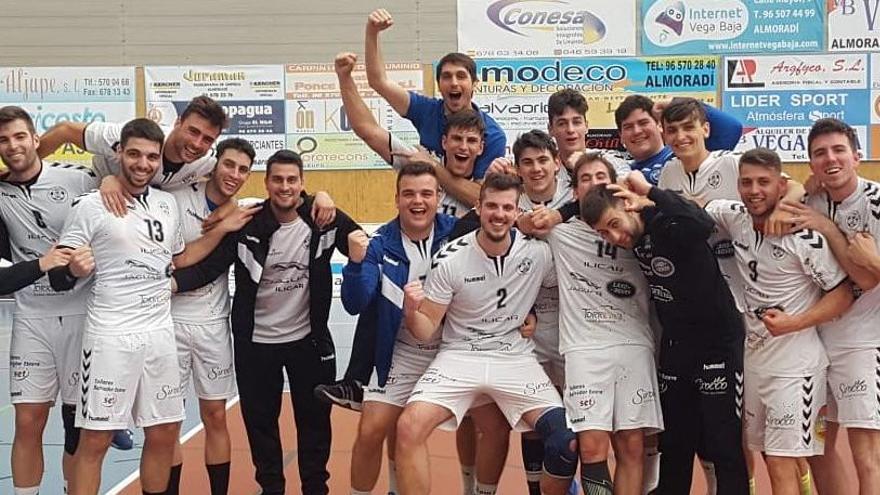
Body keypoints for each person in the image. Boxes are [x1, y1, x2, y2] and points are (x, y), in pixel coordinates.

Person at [172, 149, 363, 495]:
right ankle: (271, 488)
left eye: (292, 180)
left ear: (303, 183)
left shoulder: (323, 217)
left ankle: (315, 488)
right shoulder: (250, 225)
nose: (285, 186)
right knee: (260, 425)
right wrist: (168, 284)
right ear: (267, 183)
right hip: (256, 344)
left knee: (315, 421)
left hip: (309, 341)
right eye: (278, 179)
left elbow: (361, 243)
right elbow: (206, 269)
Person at [48, 118, 218, 495]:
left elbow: (178, 257)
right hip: (110, 337)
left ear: (160, 161)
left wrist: (222, 229)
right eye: (135, 154)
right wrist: (73, 269)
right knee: (95, 441)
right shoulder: (90, 205)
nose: (143, 164)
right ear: (118, 154)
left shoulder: (166, 203)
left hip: (159, 336)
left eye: (151, 157)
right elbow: (57, 273)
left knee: (164, 433)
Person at [398, 173, 578, 495]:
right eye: (491, 206)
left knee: (566, 439)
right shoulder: (450, 257)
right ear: (479, 208)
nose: (499, 214)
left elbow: (565, 290)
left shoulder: (537, 253)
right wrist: (412, 310)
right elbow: (426, 330)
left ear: (516, 212)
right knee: (409, 427)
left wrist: (533, 314)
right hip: (459, 355)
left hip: (513, 357)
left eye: (507, 208)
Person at [581, 171, 749, 494]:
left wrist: (653, 193)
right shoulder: (635, 238)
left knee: (721, 442)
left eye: (613, 225)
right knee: (674, 444)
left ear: (630, 207)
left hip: (718, 344)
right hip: (675, 346)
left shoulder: (668, 222)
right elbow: (584, 201)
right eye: (603, 233)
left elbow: (702, 223)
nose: (613, 238)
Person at [702, 148, 854, 494]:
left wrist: (795, 322)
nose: (754, 190)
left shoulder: (802, 234)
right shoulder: (734, 215)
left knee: (784, 463)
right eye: (746, 183)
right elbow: (701, 206)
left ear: (780, 185)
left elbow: (843, 293)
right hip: (755, 361)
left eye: (763, 183)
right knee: (769, 455)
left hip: (796, 366)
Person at [547, 152, 662, 493]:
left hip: (634, 346)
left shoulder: (640, 224)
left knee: (631, 447)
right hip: (585, 349)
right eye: (585, 178)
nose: (594, 182)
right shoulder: (559, 233)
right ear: (574, 191)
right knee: (592, 448)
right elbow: (517, 223)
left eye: (601, 176)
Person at [0, 105, 100, 495]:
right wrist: (42, 264)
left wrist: (108, 184)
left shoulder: (78, 179)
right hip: (32, 318)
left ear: (36, 140)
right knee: (28, 421)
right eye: (4, 140)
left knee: (77, 423)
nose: (13, 145)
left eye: (20, 136)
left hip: (81, 315)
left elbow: (122, 174)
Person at [779, 118, 880, 494]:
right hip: (815, 345)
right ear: (811, 163)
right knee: (819, 447)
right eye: (820, 153)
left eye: (839, 150)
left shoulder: (875, 201)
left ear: (857, 156)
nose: (830, 159)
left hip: (863, 345)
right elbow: (784, 195)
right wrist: (796, 194)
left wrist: (829, 229)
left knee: (865, 454)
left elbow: (867, 279)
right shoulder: (812, 199)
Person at [165, 137, 260, 495]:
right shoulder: (175, 197)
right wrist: (221, 225)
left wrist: (325, 199)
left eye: (243, 170)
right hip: (169, 324)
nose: (234, 174)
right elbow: (175, 260)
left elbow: (293, 199)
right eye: (229, 164)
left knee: (216, 416)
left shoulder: (244, 211)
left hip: (213, 326)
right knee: (169, 422)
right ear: (214, 163)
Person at [365, 9, 505, 203]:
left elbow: (480, 198)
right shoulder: (426, 110)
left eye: (461, 76)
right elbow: (378, 82)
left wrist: (431, 165)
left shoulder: (493, 135)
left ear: (474, 84)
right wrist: (372, 33)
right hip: (426, 208)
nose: (454, 83)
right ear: (439, 85)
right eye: (447, 76)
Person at [615, 94, 743, 185]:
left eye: (643, 123)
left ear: (659, 126)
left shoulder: (684, 152)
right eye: (628, 127)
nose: (637, 131)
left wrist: (675, 103)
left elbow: (732, 127)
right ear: (621, 136)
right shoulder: (622, 172)